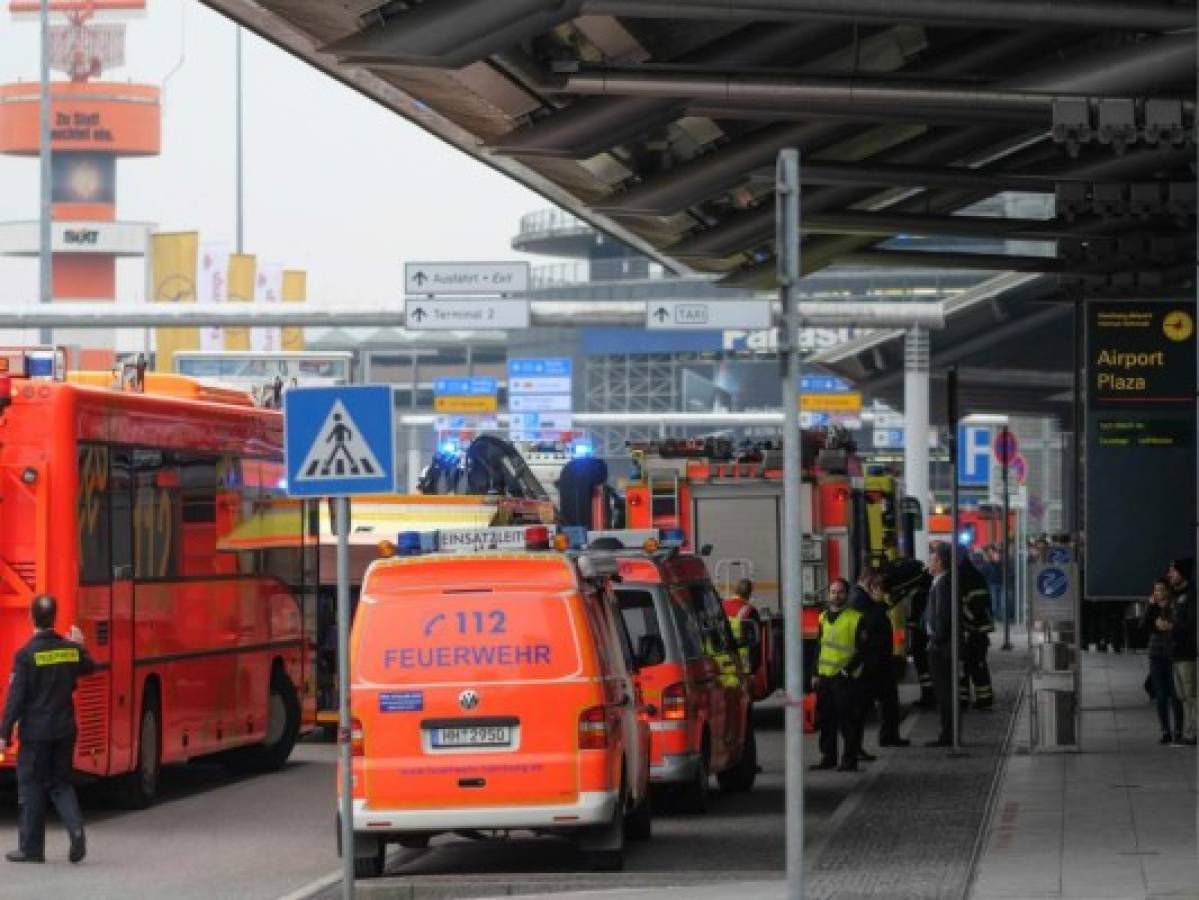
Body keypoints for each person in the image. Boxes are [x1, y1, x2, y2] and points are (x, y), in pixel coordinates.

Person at [0, 595, 95, 864]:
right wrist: (81, 646)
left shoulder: (25, 656)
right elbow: (90, 667)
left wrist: (3, 734)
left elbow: (15, 700)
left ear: (31, 618)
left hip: (35, 734)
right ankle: (76, 831)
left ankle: (31, 849)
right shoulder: (70, 650)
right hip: (65, 730)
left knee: (30, 786)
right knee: (60, 784)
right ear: (54, 618)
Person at [811, 578, 866, 772]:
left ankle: (849, 760)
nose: (836, 595)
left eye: (840, 592)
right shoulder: (823, 617)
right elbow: (819, 646)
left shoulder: (856, 618)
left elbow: (862, 650)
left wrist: (847, 671)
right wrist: (815, 672)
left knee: (847, 720)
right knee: (826, 719)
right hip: (825, 677)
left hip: (844, 679)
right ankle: (828, 757)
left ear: (847, 594)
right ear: (828, 595)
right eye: (833, 592)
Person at [855, 572, 909, 748]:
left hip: (879, 660)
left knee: (888, 701)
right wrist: (881, 605)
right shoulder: (862, 600)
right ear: (872, 586)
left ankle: (889, 736)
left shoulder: (865, 599)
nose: (881, 592)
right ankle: (859, 747)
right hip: (874, 662)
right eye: (879, 588)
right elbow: (872, 624)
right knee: (868, 705)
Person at [924, 542, 960, 747]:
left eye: (932, 559)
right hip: (938, 645)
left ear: (940, 562)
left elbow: (943, 618)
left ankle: (948, 734)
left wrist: (935, 638)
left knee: (945, 693)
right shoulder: (939, 582)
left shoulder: (944, 584)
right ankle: (947, 732)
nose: (929, 562)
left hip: (942, 649)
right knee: (943, 692)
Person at [1142, 578, 1184, 745]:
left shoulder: (1174, 605)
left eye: (1161, 589)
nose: (1158, 593)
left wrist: (1166, 625)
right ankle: (1165, 730)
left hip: (1172, 654)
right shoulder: (1152, 606)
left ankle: (1178, 729)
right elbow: (1144, 625)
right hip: (1156, 654)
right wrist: (1151, 608)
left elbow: (1175, 624)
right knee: (1160, 695)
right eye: (1155, 590)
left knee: (1175, 695)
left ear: (1167, 590)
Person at [959, 547, 996, 710]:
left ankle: (983, 698)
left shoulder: (967, 577)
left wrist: (967, 619)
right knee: (970, 664)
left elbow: (975, 605)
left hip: (974, 630)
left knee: (975, 664)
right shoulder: (971, 574)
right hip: (975, 629)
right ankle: (971, 697)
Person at [1167, 558, 1197, 746]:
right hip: (1176, 653)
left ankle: (1192, 732)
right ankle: (1189, 732)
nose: (1170, 574)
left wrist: (1172, 625)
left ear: (1183, 573)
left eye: (1173, 571)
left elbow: (1191, 624)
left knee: (1190, 694)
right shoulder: (1175, 596)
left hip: (1188, 653)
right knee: (1183, 696)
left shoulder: (1191, 596)